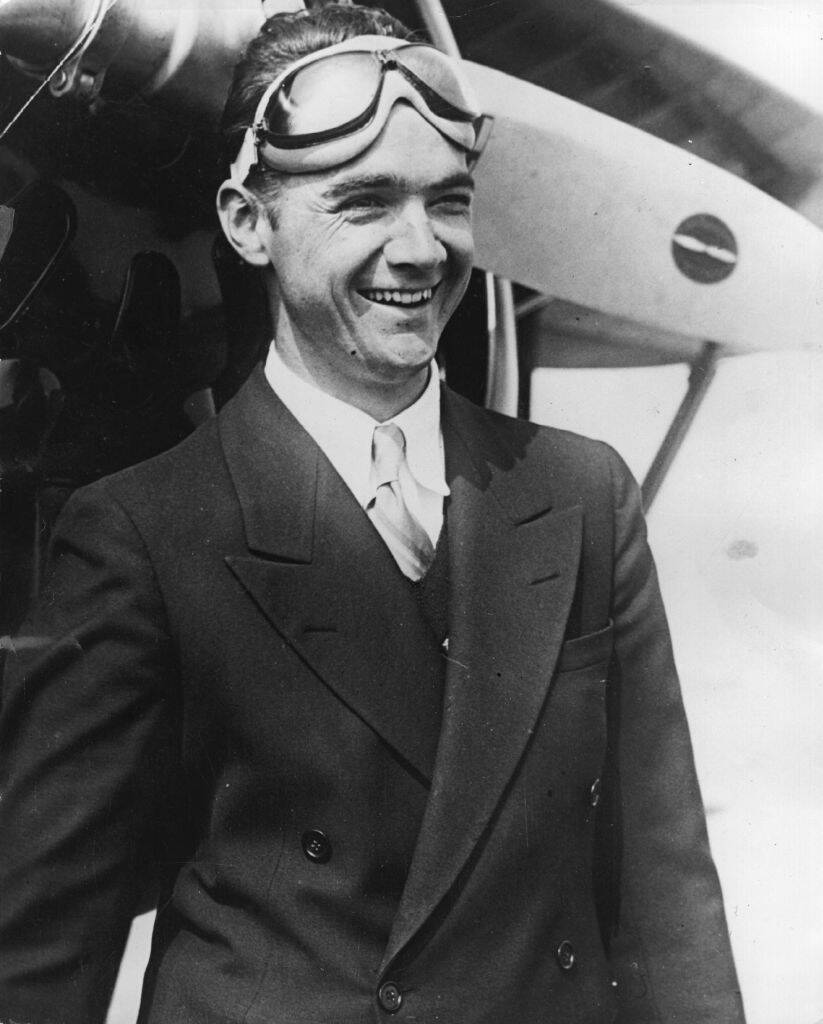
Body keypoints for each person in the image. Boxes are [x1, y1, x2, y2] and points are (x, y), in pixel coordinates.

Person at [0, 5, 745, 1022]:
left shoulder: (581, 496)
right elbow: (40, 956)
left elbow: (667, 901)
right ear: (244, 221)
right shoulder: (142, 532)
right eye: (363, 202)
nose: (419, 249)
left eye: (447, 202)